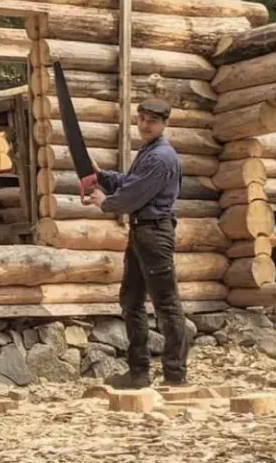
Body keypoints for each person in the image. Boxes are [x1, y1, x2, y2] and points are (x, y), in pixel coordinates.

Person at [86, 97, 186, 387]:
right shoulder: (149, 151)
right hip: (142, 232)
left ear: (165, 124)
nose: (144, 125)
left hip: (154, 234)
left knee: (166, 304)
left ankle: (175, 376)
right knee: (131, 301)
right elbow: (130, 182)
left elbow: (132, 196)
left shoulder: (161, 156)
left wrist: (106, 203)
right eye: (141, 119)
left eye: (151, 121)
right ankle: (139, 373)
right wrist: (101, 177)